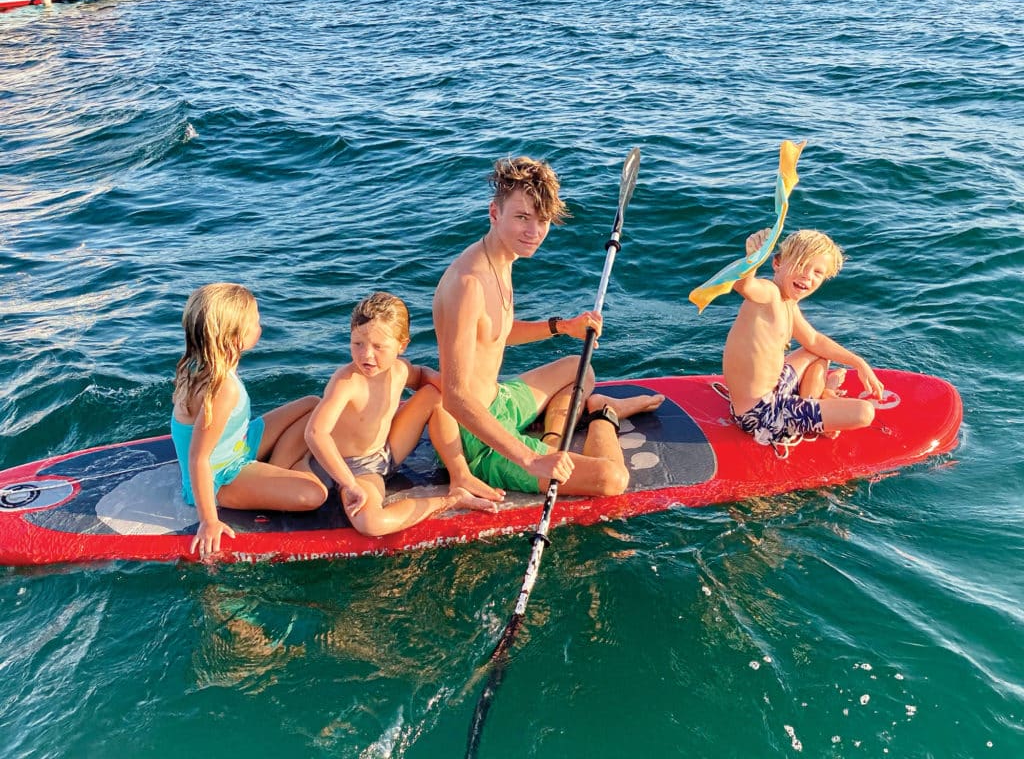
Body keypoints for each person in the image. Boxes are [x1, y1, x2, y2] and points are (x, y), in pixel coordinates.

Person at [432, 155, 664, 496]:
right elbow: (454, 399)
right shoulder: (467, 284)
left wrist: (563, 327)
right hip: (477, 440)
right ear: (494, 213)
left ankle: (553, 441)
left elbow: (493, 332)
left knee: (578, 368)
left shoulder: (501, 258)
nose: (534, 232)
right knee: (612, 479)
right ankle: (603, 414)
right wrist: (531, 459)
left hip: (500, 400)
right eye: (522, 217)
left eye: (542, 220)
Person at [304, 292, 499, 537]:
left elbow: (423, 375)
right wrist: (349, 484)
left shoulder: (400, 369)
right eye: (357, 344)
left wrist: (462, 396)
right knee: (371, 524)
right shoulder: (347, 381)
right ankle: (452, 500)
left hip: (388, 449)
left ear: (402, 344)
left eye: (378, 346)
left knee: (436, 395)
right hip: (356, 468)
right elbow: (315, 433)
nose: (366, 355)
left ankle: (460, 475)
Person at [171, 283, 328, 559]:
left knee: (314, 406)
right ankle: (295, 466)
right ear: (234, 337)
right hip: (221, 476)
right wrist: (209, 521)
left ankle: (276, 469)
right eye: (255, 321)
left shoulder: (202, 364)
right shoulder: (222, 388)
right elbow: (198, 457)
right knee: (315, 494)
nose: (260, 325)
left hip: (238, 444)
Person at [722, 227, 885, 451]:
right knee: (865, 412)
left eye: (817, 272)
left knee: (817, 351)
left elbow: (814, 340)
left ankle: (816, 401)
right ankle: (819, 408)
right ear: (777, 263)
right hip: (761, 415)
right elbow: (745, 286)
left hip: (774, 392)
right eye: (801, 265)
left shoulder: (788, 303)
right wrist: (752, 258)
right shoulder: (769, 294)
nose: (807, 276)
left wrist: (859, 363)